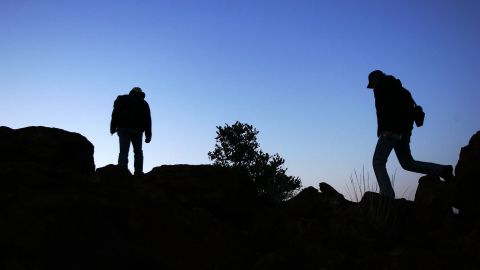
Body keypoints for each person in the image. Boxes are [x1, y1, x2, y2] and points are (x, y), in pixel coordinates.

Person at [367, 70, 453, 198]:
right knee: (407, 163)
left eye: (372, 83)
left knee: (378, 162)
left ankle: (387, 194)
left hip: (390, 131)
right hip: (404, 132)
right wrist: (404, 131)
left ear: (376, 79)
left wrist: (386, 129)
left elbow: (385, 110)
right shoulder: (403, 90)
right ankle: (442, 170)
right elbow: (409, 112)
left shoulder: (381, 88)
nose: (372, 86)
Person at [110, 87, 152, 176]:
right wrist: (148, 135)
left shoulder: (121, 99)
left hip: (123, 129)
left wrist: (113, 127)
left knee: (123, 151)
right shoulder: (143, 103)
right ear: (140, 93)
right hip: (137, 130)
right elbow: (147, 120)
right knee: (138, 152)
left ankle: (122, 171)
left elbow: (115, 113)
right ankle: (138, 172)